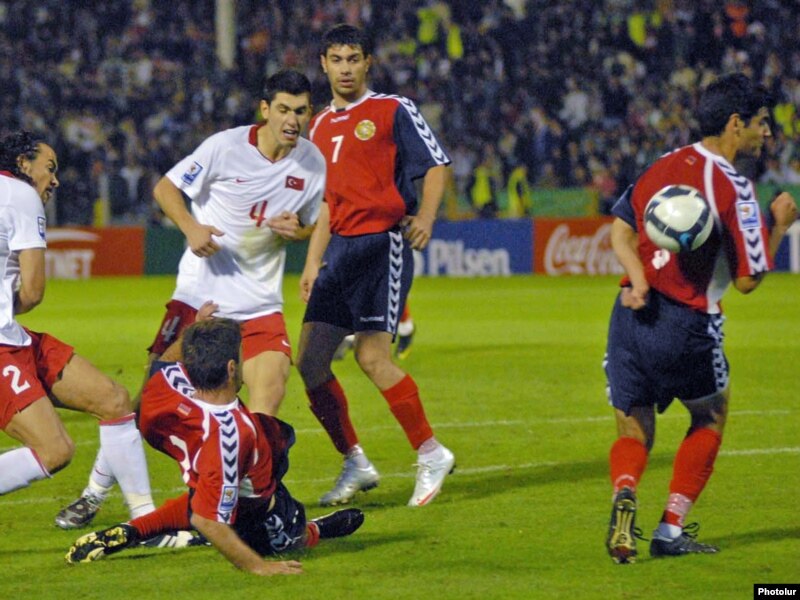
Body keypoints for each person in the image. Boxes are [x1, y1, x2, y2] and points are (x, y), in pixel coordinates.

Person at [56, 69, 326, 529]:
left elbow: (317, 221)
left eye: (301, 111)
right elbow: (165, 188)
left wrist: (297, 233)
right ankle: (95, 492)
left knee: (269, 395)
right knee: (144, 407)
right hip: (200, 296)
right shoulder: (225, 147)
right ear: (265, 109)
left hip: (260, 303)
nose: (292, 119)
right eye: (283, 109)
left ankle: (241, 499)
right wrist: (192, 228)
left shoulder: (312, 162)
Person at [604, 73, 798, 563]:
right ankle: (670, 529)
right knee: (710, 412)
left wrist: (640, 279)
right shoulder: (734, 188)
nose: (768, 134)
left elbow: (621, 230)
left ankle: (624, 492)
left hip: (631, 313)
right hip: (687, 325)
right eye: (761, 124)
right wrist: (779, 226)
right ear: (735, 124)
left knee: (633, 428)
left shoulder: (664, 163)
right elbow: (748, 281)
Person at [66, 316, 364, 575]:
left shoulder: (167, 385)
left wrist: (197, 331)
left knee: (240, 466)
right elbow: (205, 520)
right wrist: (257, 567)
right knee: (285, 532)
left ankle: (135, 530)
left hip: (205, 464)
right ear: (232, 368)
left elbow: (164, 363)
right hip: (252, 499)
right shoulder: (231, 436)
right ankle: (314, 529)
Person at [297, 24, 454, 508]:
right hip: (338, 252)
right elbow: (326, 201)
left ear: (368, 63)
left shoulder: (392, 108)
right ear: (323, 63)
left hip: (381, 246)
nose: (345, 68)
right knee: (309, 362)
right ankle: (355, 462)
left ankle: (431, 453)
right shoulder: (319, 125)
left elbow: (436, 164)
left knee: (371, 357)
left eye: (354, 59)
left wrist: (425, 216)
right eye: (336, 59)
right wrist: (312, 261)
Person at [0, 131, 155, 522]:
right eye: (49, 169)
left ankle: (145, 519)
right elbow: (33, 292)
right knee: (55, 450)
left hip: (15, 337)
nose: (55, 180)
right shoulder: (21, 195)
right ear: (22, 165)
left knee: (113, 399)